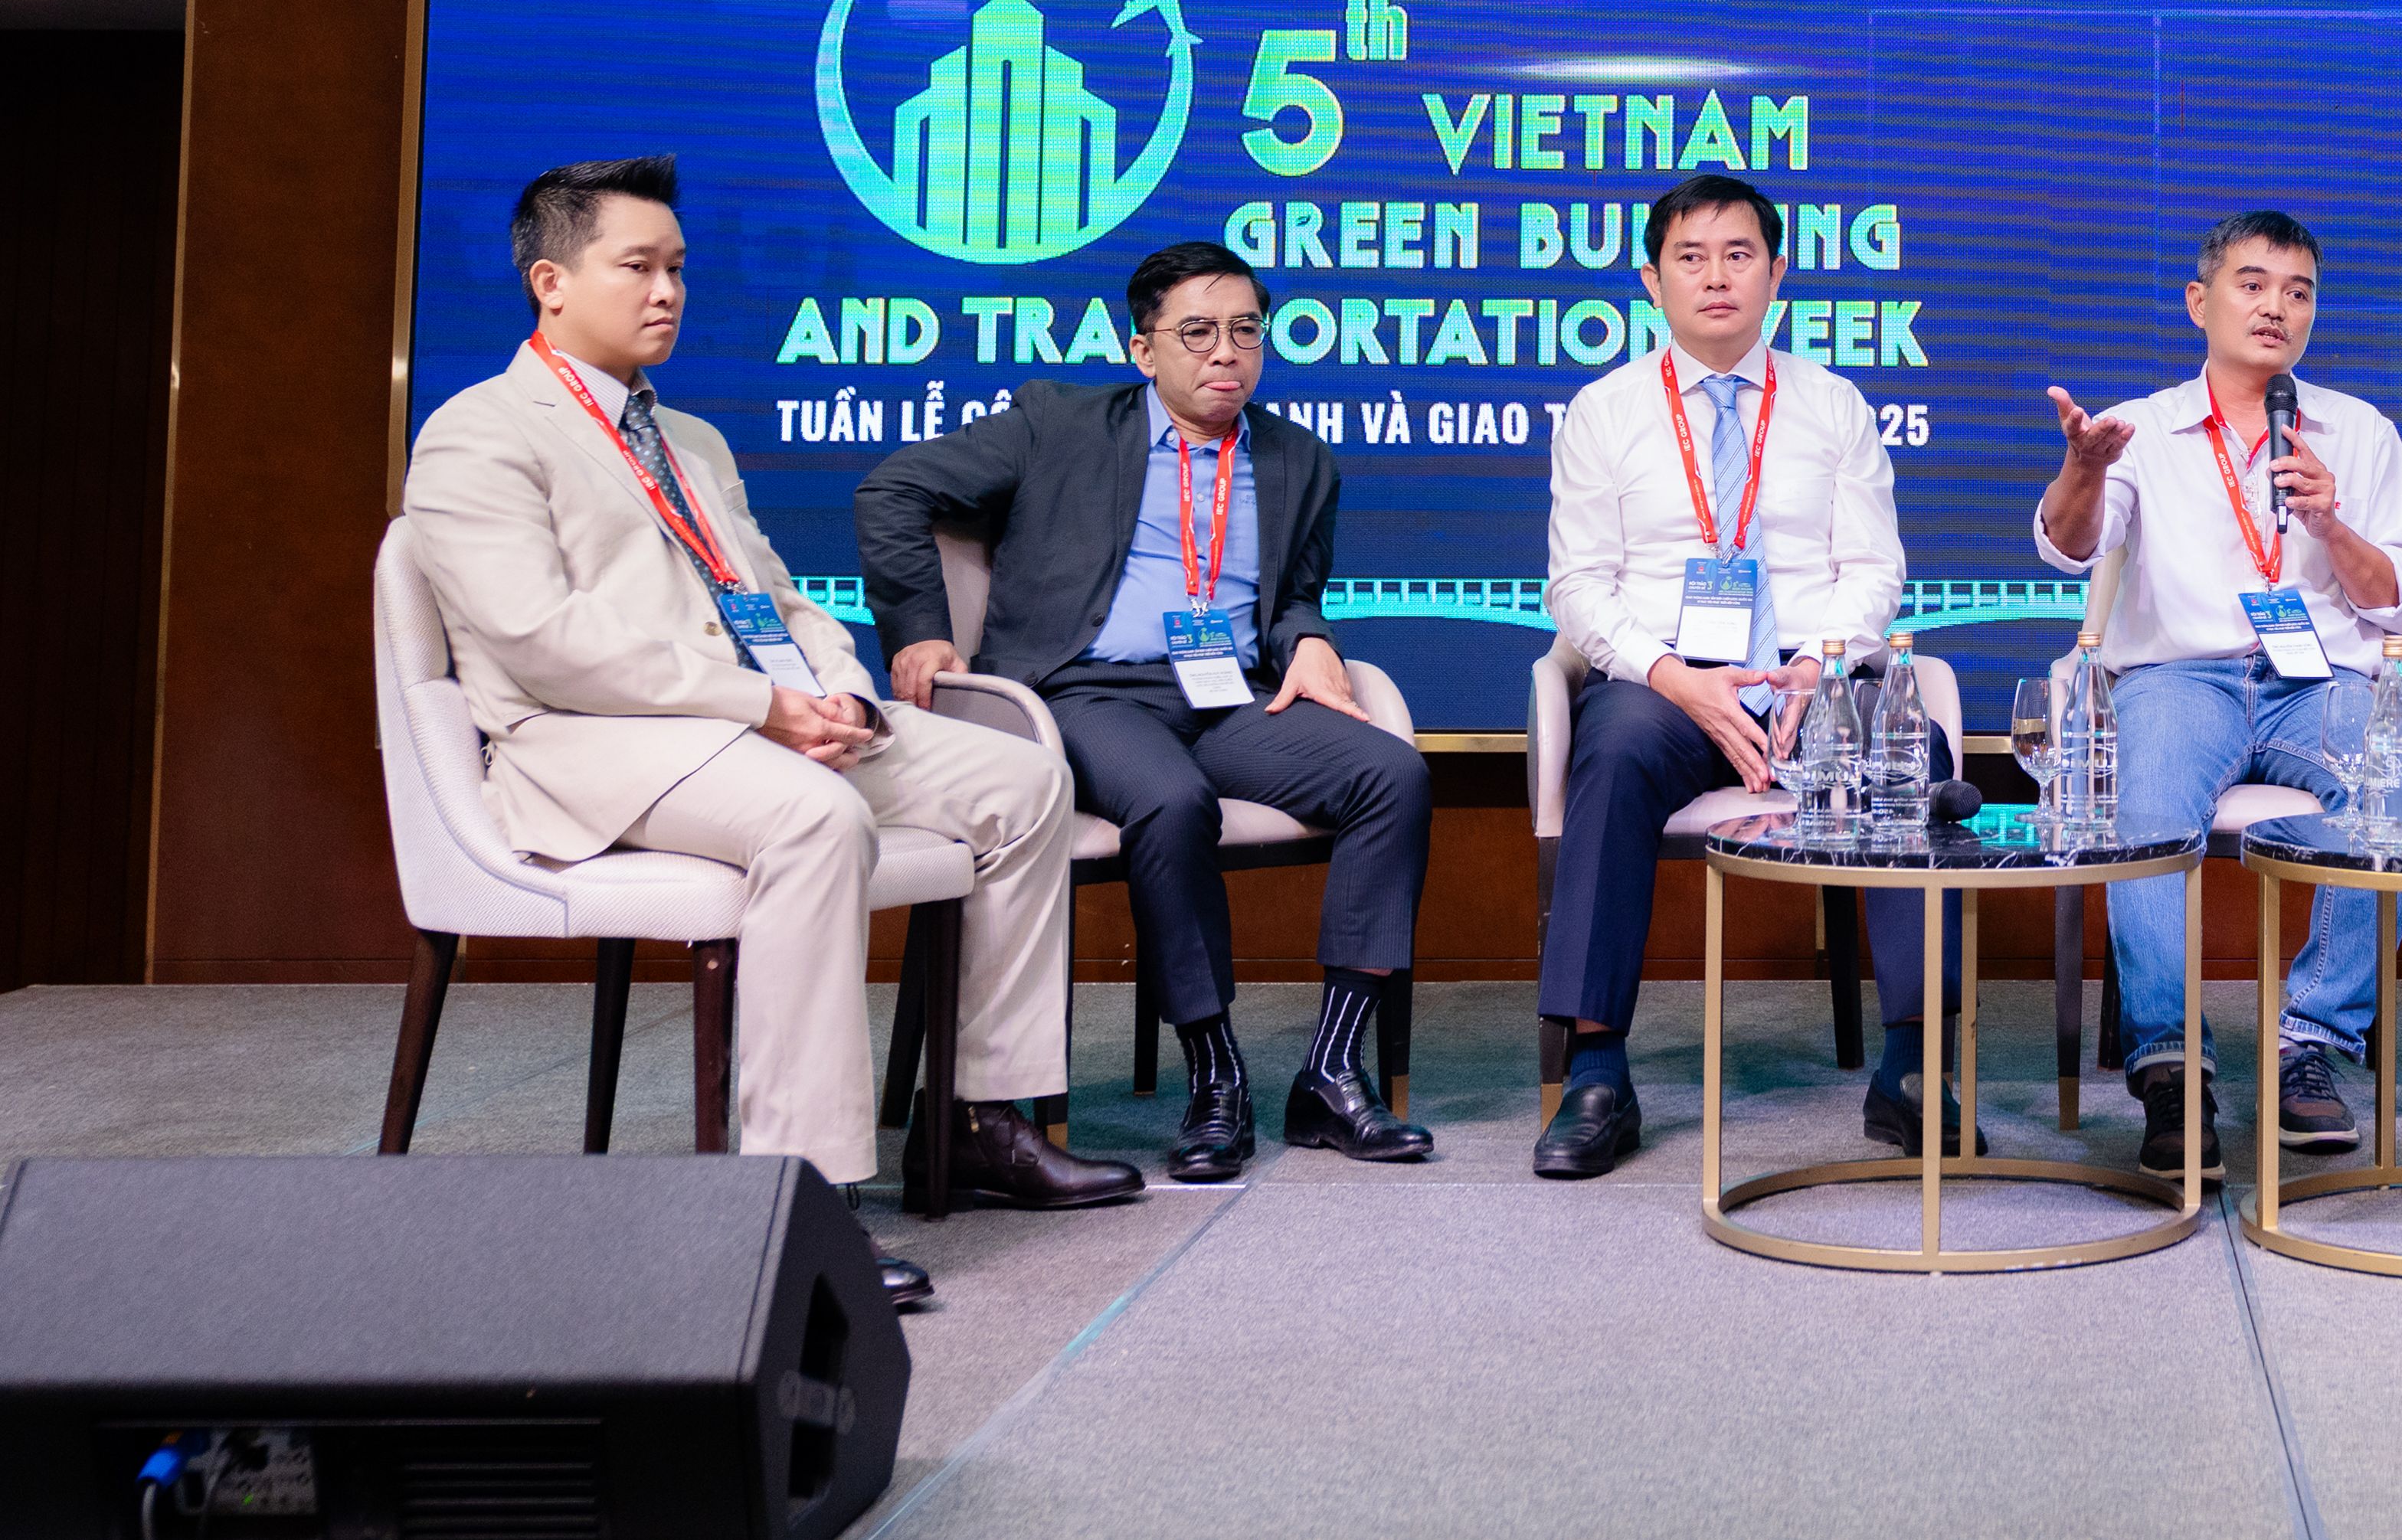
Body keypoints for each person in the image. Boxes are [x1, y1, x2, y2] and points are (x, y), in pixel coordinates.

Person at [405, 160, 1137, 1309]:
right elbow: (542, 638)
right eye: (637, 266)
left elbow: (781, 598)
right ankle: (804, 1189)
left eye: (677, 267)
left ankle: (979, 1117)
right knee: (814, 818)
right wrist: (758, 706)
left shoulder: (689, 437)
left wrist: (841, 692)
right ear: (551, 281)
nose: (667, 291)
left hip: (760, 725)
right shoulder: (477, 431)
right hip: (589, 742)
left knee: (1023, 780)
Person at [858, 240, 1432, 1183]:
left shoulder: (1298, 457)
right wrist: (920, 630)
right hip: (1087, 691)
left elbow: (1293, 595)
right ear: (1142, 348)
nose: (1226, 353)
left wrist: (1307, 637)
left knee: (1391, 773)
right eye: (1197, 332)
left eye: (1246, 331)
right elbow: (892, 491)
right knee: (1171, 800)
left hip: (1227, 695)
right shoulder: (1059, 423)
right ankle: (1215, 1074)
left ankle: (1331, 1071)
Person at [1532, 174, 1919, 1180]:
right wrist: (1671, 675)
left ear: (1776, 272)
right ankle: (1596, 1071)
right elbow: (1578, 585)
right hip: (1662, 683)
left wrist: (1818, 663)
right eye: (1691, 258)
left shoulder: (1832, 404)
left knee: (1906, 748)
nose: (1716, 277)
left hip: (1805, 676)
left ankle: (1915, 1062)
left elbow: (1873, 565)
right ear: (1651, 279)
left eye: (1738, 255)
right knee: (1611, 750)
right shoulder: (1603, 410)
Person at [2036, 210, 2402, 1175]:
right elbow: (2069, 547)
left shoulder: (2361, 431)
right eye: (2252, 285)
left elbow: (2398, 602)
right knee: (2147, 808)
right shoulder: (2142, 429)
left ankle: (2311, 1040)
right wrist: (2082, 468)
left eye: (2297, 292)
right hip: (2181, 675)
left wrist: (2331, 525)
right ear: (2198, 301)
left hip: (2317, 678)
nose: (2275, 308)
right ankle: (2171, 1066)